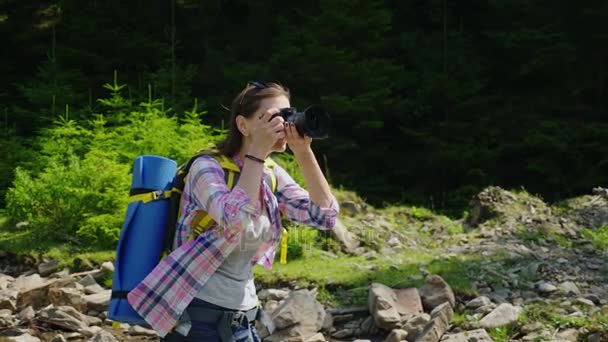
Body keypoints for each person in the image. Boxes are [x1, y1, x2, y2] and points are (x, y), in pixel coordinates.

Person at [127, 81, 339, 341]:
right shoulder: (206, 168)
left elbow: (325, 217)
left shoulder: (270, 173)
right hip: (197, 321)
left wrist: (303, 152)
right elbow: (235, 219)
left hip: (243, 321)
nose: (284, 124)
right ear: (243, 125)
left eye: (288, 114)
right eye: (275, 116)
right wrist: (258, 153)